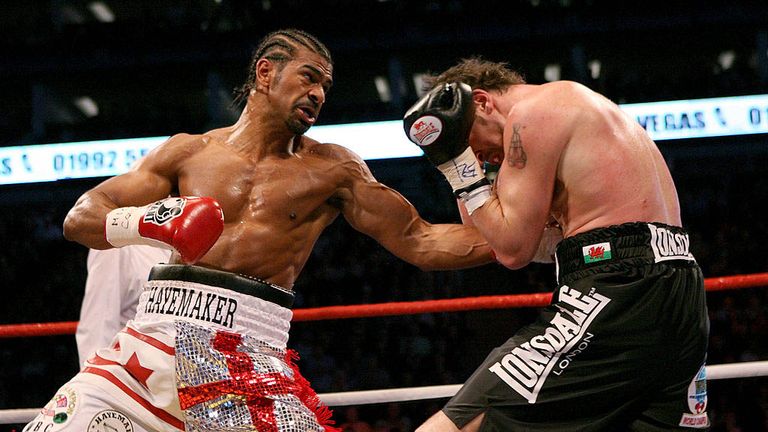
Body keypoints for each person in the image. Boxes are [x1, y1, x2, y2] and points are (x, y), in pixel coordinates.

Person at [24, 29, 493, 432]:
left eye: (326, 86)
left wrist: (525, 238)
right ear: (266, 73)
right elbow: (81, 216)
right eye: (309, 77)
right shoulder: (187, 152)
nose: (319, 94)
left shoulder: (333, 169)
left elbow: (423, 240)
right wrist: (147, 221)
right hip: (146, 343)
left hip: (246, 353)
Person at [403, 58, 709, 431]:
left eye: (471, 146)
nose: (479, 160)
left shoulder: (533, 113)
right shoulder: (575, 108)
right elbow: (494, 238)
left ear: (481, 102)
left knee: (458, 424)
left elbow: (513, 252)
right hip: (679, 290)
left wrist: (456, 165)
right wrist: (460, 162)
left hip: (618, 288)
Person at [76, 246, 171, 366]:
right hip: (135, 370)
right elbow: (98, 325)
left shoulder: (184, 241)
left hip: (183, 369)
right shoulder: (116, 246)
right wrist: (91, 380)